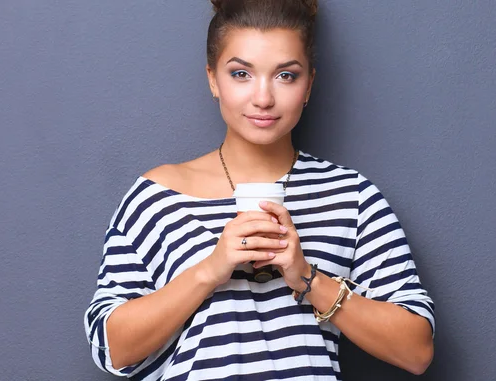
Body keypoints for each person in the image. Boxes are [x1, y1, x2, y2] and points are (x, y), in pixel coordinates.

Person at [84, 0, 435, 379]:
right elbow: (111, 349)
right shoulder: (157, 197)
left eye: (286, 75)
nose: (263, 98)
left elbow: (416, 350)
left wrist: (307, 278)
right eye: (241, 74)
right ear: (212, 79)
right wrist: (211, 270)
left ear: (309, 85)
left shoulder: (353, 198)